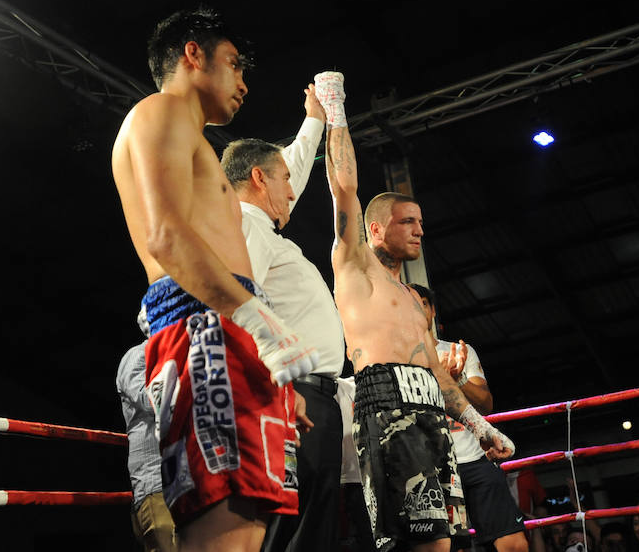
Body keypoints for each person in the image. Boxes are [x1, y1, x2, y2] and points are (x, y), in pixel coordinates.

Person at [111, 7, 316, 552]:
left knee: (248, 529)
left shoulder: (196, 142)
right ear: (192, 54)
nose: (243, 83)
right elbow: (166, 238)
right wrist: (259, 323)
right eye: (234, 64)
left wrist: (264, 348)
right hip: (206, 326)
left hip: (229, 329)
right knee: (221, 537)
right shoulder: (161, 112)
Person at [317, 69, 515, 552]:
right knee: (407, 543)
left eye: (421, 222)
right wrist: (336, 110)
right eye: (408, 221)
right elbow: (344, 189)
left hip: (430, 408)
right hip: (385, 404)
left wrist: (480, 426)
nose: (419, 230)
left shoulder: (412, 300)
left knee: (442, 542)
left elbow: (441, 377)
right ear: (377, 229)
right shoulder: (355, 265)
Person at [220, 86, 347, 552]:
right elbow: (235, 299)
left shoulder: (257, 221)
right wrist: (279, 388)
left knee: (305, 522)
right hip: (294, 392)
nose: (293, 190)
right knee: (293, 524)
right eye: (284, 181)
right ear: (258, 178)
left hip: (308, 394)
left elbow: (285, 165)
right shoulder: (248, 224)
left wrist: (313, 122)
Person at [409, 283, 528, 552]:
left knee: (514, 543)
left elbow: (485, 403)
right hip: (432, 466)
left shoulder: (459, 351)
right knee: (452, 547)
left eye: (423, 303)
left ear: (432, 310)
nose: (417, 309)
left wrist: (456, 380)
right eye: (411, 304)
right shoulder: (397, 358)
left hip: (475, 459)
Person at [117, 341, 178, 552]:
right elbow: (149, 400)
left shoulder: (187, 354)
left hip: (186, 484)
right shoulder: (137, 356)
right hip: (156, 485)